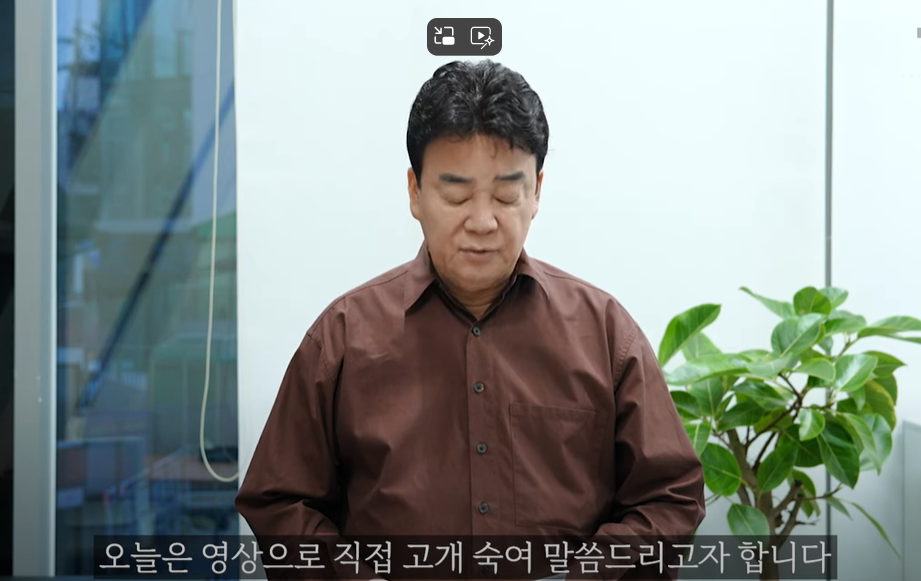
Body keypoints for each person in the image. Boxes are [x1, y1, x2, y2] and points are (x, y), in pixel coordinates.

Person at [235, 59, 705, 580]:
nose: (482, 222)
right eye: (456, 194)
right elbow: (278, 502)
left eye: (506, 195)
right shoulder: (343, 337)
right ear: (415, 192)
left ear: (537, 191)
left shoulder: (604, 333)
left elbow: (670, 498)